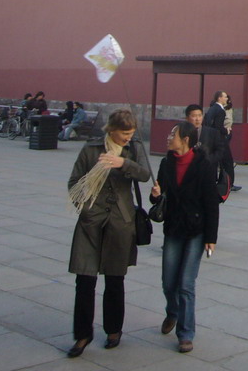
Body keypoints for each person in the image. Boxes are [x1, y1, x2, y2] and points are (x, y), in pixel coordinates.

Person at [66, 110, 152, 358]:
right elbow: (74, 182)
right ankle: (82, 334)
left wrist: (123, 163)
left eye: (132, 133)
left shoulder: (133, 148)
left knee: (115, 280)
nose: (128, 137)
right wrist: (86, 209)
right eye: (125, 133)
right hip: (91, 222)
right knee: (84, 280)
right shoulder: (92, 149)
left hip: (120, 221)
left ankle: (114, 329)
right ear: (111, 129)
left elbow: (145, 175)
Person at [151, 121, 219, 353]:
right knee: (169, 282)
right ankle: (173, 312)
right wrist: (155, 195)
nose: (169, 137)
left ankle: (185, 333)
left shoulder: (204, 165)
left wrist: (211, 237)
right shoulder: (166, 163)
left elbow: (212, 204)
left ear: (186, 140)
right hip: (173, 228)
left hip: (196, 230)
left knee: (186, 284)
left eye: (173, 134)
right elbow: (160, 198)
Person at [205, 91, 239, 192]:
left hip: (211, 138)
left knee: (215, 161)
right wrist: (226, 130)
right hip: (219, 139)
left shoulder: (212, 108)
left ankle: (216, 181)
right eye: (225, 97)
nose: (226, 99)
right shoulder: (220, 110)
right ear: (219, 98)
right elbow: (218, 126)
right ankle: (228, 183)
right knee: (227, 162)